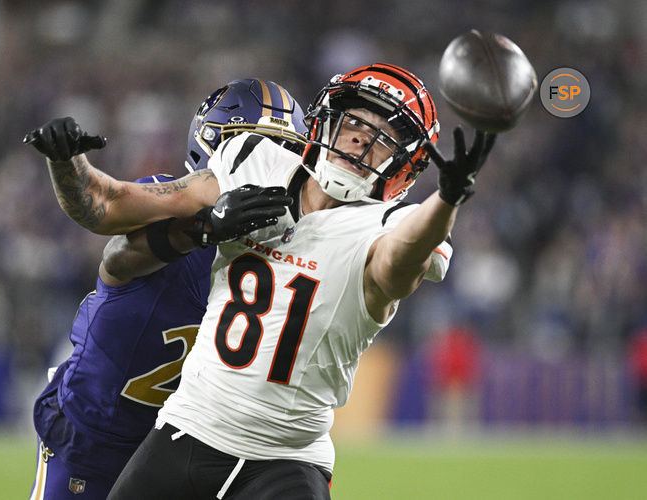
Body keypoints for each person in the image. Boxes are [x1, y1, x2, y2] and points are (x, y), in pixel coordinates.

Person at [25, 63, 495, 499]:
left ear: (405, 167)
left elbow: (402, 258)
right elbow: (110, 214)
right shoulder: (251, 164)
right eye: (355, 124)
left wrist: (448, 200)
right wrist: (69, 162)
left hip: (284, 454)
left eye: (386, 139)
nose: (362, 144)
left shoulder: (389, 226)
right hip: (169, 427)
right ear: (325, 120)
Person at [27, 79, 308, 500]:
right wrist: (202, 230)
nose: (268, 162)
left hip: (189, 446)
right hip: (97, 429)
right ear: (212, 145)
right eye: (255, 145)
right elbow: (116, 253)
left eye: (285, 149)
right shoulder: (180, 208)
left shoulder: (296, 251)